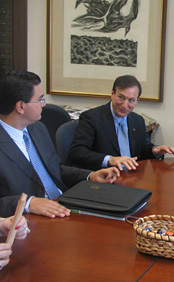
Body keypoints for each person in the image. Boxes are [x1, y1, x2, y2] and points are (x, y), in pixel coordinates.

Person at [0, 70, 120, 218]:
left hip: (64, 203)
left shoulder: (37, 128)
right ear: (20, 107)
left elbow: (54, 170)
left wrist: (90, 176)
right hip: (29, 221)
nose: (44, 105)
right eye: (40, 99)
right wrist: (27, 203)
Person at [68, 75, 174, 171]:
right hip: (105, 179)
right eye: (121, 97)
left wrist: (154, 150)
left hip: (133, 177)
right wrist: (110, 159)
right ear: (112, 94)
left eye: (131, 100)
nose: (125, 105)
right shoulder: (92, 118)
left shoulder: (137, 120)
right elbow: (77, 153)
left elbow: (142, 149)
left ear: (137, 100)